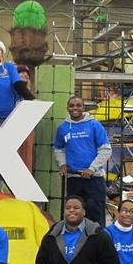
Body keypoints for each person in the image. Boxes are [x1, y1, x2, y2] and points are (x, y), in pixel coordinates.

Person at [54, 96, 112, 227]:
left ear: (83, 107)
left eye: (78, 105)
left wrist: (92, 169)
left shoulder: (94, 125)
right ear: (67, 108)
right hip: (73, 179)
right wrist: (62, 164)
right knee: (74, 217)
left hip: (94, 180)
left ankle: (97, 244)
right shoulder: (63, 128)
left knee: (96, 219)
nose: (75, 108)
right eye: (72, 105)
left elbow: (106, 150)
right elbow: (59, 148)